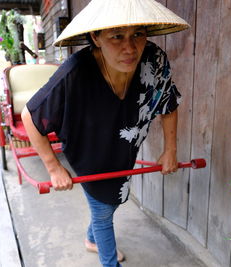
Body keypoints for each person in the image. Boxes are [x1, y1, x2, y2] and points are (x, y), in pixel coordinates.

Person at [21, 0, 189, 266]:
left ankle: (91, 239)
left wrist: (170, 150)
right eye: (117, 36)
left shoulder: (153, 60)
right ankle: (109, 261)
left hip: (123, 147)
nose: (130, 47)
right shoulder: (75, 72)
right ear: (95, 38)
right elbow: (29, 116)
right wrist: (53, 168)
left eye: (138, 34)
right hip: (89, 151)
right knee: (102, 211)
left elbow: (168, 103)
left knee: (112, 201)